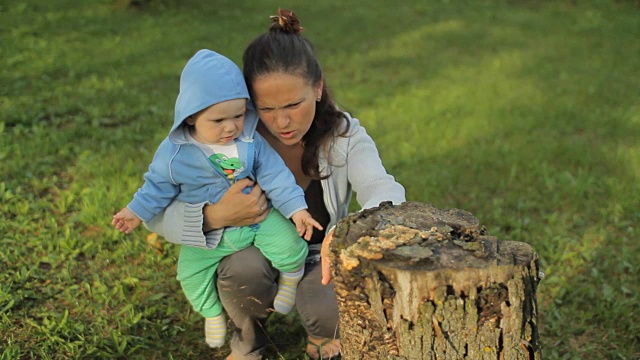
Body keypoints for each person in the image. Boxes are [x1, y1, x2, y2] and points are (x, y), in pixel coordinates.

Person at [147, 9, 406, 360]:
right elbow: (157, 210)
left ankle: (321, 339)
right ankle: (249, 342)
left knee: (330, 302)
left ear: (318, 88)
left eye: (294, 104)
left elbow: (384, 190)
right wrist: (212, 217)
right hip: (253, 251)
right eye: (265, 108)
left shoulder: (344, 137)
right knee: (241, 270)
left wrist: (349, 230)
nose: (282, 121)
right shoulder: (226, 142)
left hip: (320, 260)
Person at [111, 49, 323, 348]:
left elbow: (275, 175)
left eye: (238, 115)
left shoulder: (249, 141)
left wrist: (297, 210)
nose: (231, 127)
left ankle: (290, 279)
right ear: (192, 116)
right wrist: (134, 212)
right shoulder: (176, 154)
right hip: (210, 236)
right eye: (218, 120)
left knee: (290, 245)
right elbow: (156, 188)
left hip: (258, 220)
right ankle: (211, 314)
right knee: (190, 274)